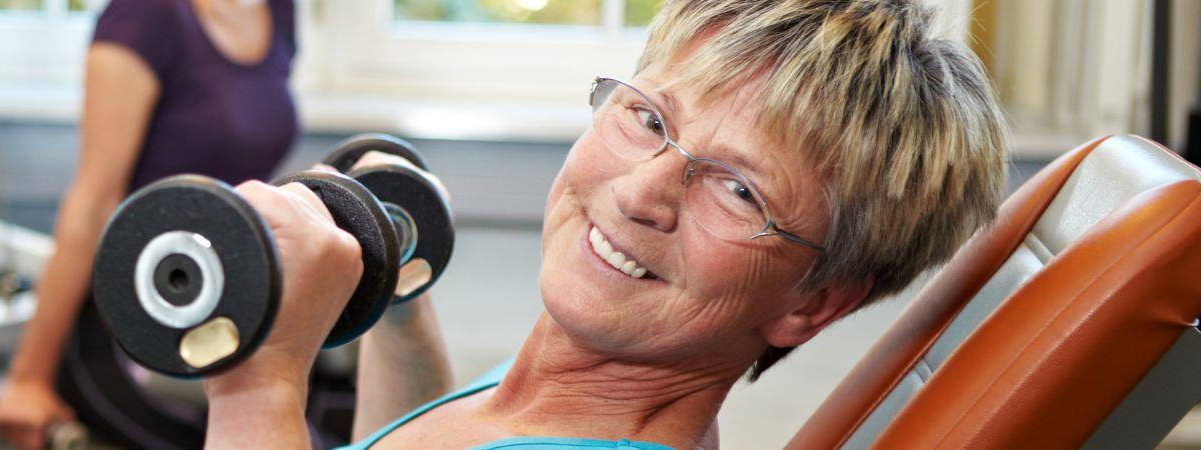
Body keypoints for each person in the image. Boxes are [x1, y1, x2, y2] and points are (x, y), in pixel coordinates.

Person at [184, 0, 1010, 448]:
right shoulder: (563, 389)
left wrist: (260, 382)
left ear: (814, 302)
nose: (644, 192)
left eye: (738, 191)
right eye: (649, 119)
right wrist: (396, 300)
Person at [0, 0, 301, 447]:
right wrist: (28, 377)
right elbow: (94, 202)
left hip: (223, 306)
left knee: (334, 419)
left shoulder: (278, 10)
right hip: (130, 318)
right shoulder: (143, 15)